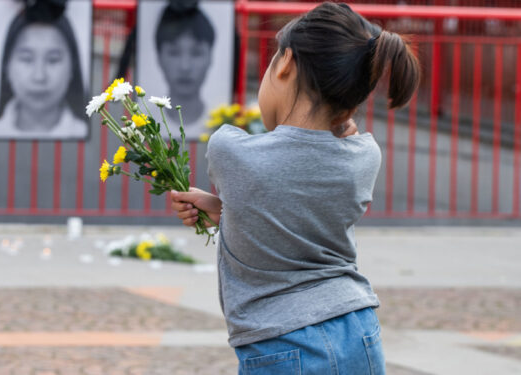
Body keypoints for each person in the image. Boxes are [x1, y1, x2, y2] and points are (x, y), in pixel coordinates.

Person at [170, 2, 419, 373]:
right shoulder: (365, 156)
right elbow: (295, 204)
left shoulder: (228, 149)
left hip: (282, 341)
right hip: (358, 329)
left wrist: (231, 205)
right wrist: (226, 211)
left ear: (285, 63)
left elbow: (277, 164)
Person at [0, 8, 87, 140]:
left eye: (53, 60)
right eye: (26, 58)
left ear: (73, 67)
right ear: (7, 66)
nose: (39, 76)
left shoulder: (80, 130)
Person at [154, 4, 214, 139]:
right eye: (174, 53)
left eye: (196, 53)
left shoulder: (222, 121)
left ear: (211, 56)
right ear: (159, 57)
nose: (185, 67)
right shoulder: (145, 119)